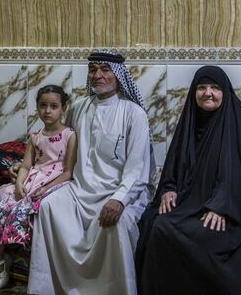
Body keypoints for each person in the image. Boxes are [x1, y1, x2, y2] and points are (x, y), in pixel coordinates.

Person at [135, 66, 241, 295]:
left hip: (232, 213)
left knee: (165, 229)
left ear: (224, 92)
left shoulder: (236, 120)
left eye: (214, 88)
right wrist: (169, 188)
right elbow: (175, 164)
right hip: (193, 202)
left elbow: (240, 171)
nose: (207, 93)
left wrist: (221, 205)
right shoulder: (190, 121)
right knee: (152, 221)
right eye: (201, 87)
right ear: (194, 92)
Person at [28, 51, 155, 295]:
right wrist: (29, 164)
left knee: (116, 224)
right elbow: (59, 146)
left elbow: (138, 168)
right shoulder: (78, 108)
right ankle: (52, 289)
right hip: (79, 189)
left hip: (120, 192)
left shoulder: (133, 114)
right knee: (48, 206)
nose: (98, 75)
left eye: (105, 70)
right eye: (93, 70)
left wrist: (119, 199)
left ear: (118, 75)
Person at [0, 85, 77, 289]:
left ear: (63, 108)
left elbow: (68, 171)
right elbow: (25, 165)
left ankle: (32, 263)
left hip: (56, 181)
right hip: (33, 178)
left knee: (26, 209)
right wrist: (18, 183)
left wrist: (45, 188)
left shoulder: (69, 135)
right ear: (37, 108)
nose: (47, 111)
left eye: (54, 106)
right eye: (43, 106)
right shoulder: (35, 136)